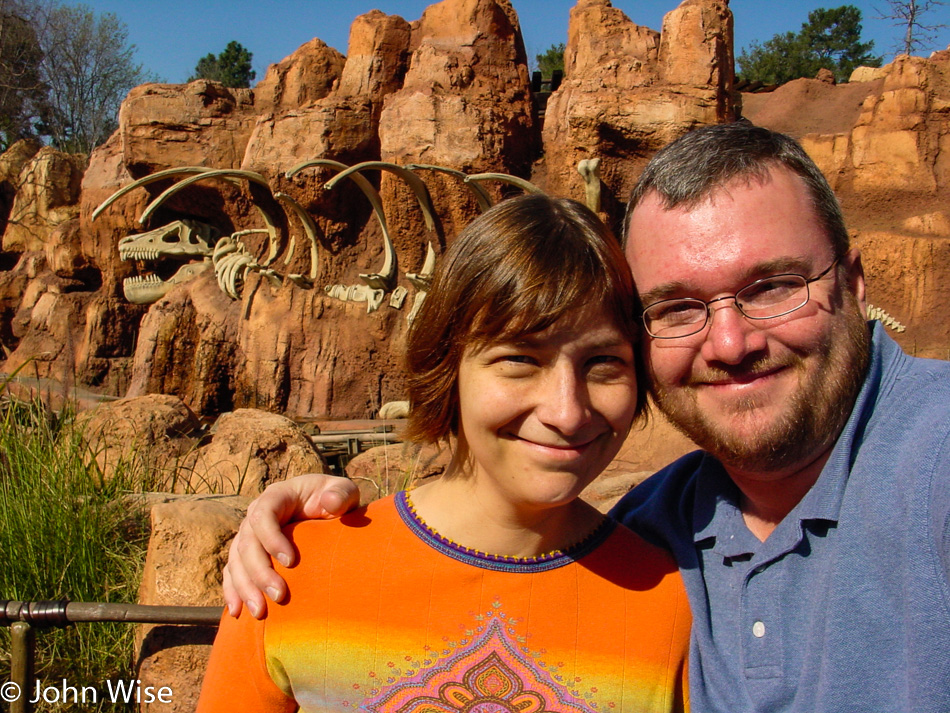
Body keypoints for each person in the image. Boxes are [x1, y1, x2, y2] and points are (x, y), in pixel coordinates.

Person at [222, 123, 950, 712]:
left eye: (774, 286)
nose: (730, 343)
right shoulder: (664, 529)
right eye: (680, 308)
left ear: (854, 284)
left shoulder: (667, 587)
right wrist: (303, 524)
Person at [197, 194, 691, 713]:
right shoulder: (287, 576)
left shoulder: (672, 609)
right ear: (447, 366)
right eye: (520, 359)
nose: (567, 412)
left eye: (604, 362)